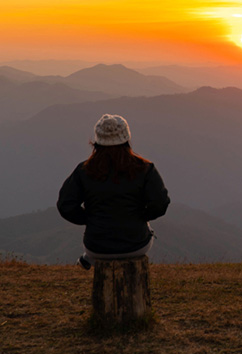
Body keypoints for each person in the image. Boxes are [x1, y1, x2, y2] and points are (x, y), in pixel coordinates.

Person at [57, 114, 170, 269]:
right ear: (127, 139)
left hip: (96, 248)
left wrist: (90, 219)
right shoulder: (145, 169)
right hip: (136, 246)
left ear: (96, 141)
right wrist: (140, 217)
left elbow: (66, 205)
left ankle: (88, 258)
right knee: (147, 228)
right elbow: (160, 203)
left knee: (96, 246)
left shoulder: (84, 170)